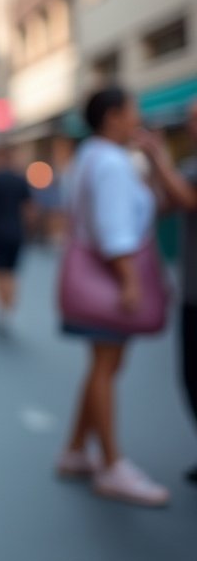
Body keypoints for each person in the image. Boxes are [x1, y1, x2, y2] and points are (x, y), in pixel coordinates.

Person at [56, 85, 169, 506]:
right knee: (107, 364)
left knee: (101, 365)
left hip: (94, 270)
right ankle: (112, 464)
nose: (136, 117)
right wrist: (130, 279)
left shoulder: (90, 157)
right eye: (131, 109)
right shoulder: (111, 162)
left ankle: (75, 450)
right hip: (112, 273)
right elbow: (114, 225)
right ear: (113, 117)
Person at [135, 100, 197, 484]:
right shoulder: (188, 166)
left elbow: (188, 201)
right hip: (192, 292)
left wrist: (157, 159)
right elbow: (165, 206)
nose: (190, 125)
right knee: (190, 376)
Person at [0, 148, 33, 337]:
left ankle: (2, 309)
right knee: (11, 272)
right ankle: (9, 309)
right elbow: (29, 209)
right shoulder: (20, 180)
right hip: (15, 231)